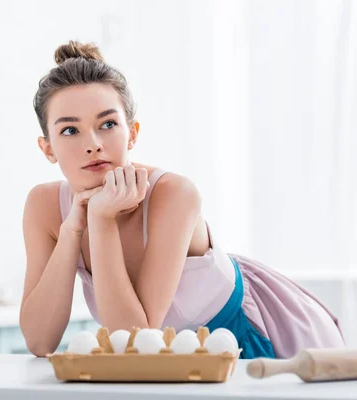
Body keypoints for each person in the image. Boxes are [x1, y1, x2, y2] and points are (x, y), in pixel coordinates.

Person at [19, 40, 345, 359]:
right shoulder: (44, 206)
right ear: (47, 148)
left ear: (131, 133)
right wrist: (73, 229)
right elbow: (39, 341)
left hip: (248, 341)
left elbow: (133, 340)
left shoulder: (173, 194)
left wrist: (101, 220)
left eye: (107, 124)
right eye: (70, 131)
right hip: (166, 363)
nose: (93, 144)